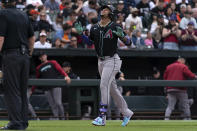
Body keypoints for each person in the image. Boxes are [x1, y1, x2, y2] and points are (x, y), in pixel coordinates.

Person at [89, 5, 133, 126]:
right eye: (103, 8)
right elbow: (89, 41)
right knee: (113, 90)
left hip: (112, 60)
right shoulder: (94, 27)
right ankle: (127, 112)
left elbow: (129, 43)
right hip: (100, 61)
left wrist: (124, 36)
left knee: (103, 85)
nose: (103, 10)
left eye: (106, 9)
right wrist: (81, 33)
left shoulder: (115, 26)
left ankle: (102, 117)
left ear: (111, 13)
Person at [0, 0, 35, 129]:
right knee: (22, 90)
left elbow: (1, 38)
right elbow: (32, 38)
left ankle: (15, 122)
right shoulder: (23, 14)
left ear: (3, 3)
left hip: (11, 55)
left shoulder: (2, 14)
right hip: (24, 56)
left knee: (11, 90)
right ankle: (23, 122)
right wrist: (29, 54)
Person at [35, 52, 71, 120]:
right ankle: (56, 118)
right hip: (46, 88)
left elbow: (60, 69)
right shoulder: (38, 68)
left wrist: (66, 76)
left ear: (46, 56)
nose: (43, 57)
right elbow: (37, 79)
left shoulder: (53, 62)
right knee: (52, 105)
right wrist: (32, 90)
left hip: (56, 85)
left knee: (58, 103)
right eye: (41, 56)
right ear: (39, 58)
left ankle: (63, 119)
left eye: (44, 55)